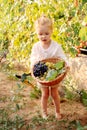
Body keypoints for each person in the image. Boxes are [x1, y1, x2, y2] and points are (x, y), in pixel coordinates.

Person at [30, 15, 70, 120]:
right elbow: (33, 59)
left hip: (53, 75)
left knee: (54, 93)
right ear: (37, 34)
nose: (43, 36)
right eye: (40, 34)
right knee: (45, 94)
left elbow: (62, 57)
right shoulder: (36, 47)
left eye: (46, 34)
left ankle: (57, 112)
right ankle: (44, 112)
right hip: (42, 76)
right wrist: (33, 65)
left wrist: (67, 64)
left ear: (51, 32)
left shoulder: (56, 46)